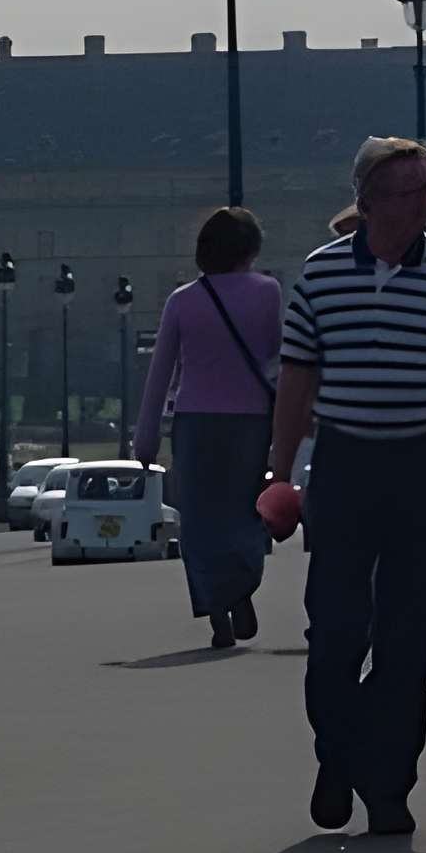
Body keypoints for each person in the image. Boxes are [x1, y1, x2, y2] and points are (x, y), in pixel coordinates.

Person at [269, 137, 426, 839]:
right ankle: (337, 756)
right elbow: (297, 378)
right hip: (343, 465)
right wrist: (280, 473)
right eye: (409, 191)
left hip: (421, 467)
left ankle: (390, 785)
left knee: (409, 640)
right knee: (334, 633)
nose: (424, 202)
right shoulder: (322, 275)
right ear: (369, 202)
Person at [132, 205, 283, 650]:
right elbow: (276, 363)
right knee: (245, 510)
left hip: (194, 421)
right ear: (251, 249)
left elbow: (160, 373)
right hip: (252, 421)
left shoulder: (182, 300)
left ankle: (214, 601)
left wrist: (144, 439)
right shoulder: (268, 292)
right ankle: (242, 582)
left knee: (198, 520)